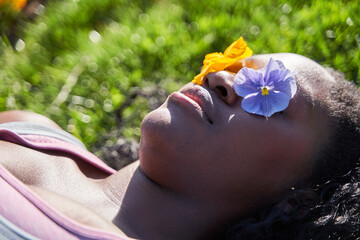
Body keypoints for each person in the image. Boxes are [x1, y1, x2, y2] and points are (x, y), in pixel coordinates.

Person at [0, 51, 359, 240]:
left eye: (274, 97)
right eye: (237, 65)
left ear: (295, 201)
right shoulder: (31, 128)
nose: (221, 78)